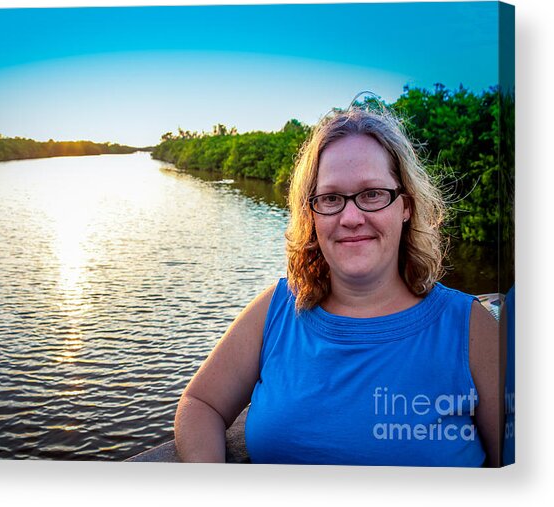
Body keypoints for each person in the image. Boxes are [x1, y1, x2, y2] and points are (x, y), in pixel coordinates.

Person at [174, 105, 504, 466]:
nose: (350, 218)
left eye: (372, 194)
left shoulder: (472, 330)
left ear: (406, 205)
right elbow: (200, 404)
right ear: (311, 214)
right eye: (330, 198)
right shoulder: (278, 308)